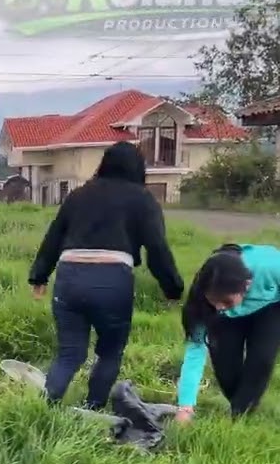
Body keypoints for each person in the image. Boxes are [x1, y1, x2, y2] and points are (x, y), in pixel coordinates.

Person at [27, 141, 183, 410]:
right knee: (110, 352)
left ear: (104, 163)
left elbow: (54, 236)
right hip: (112, 280)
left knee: (69, 353)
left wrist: (39, 276)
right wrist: (172, 288)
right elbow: (157, 247)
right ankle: (93, 408)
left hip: (69, 277)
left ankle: (46, 407)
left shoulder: (78, 195)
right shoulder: (142, 199)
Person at [174, 243, 280, 423]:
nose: (219, 306)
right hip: (229, 318)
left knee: (261, 359)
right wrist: (185, 407)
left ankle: (240, 418)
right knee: (226, 367)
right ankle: (239, 405)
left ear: (247, 285)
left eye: (226, 301)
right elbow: (195, 350)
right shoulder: (206, 299)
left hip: (271, 307)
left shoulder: (271, 267)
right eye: (214, 300)